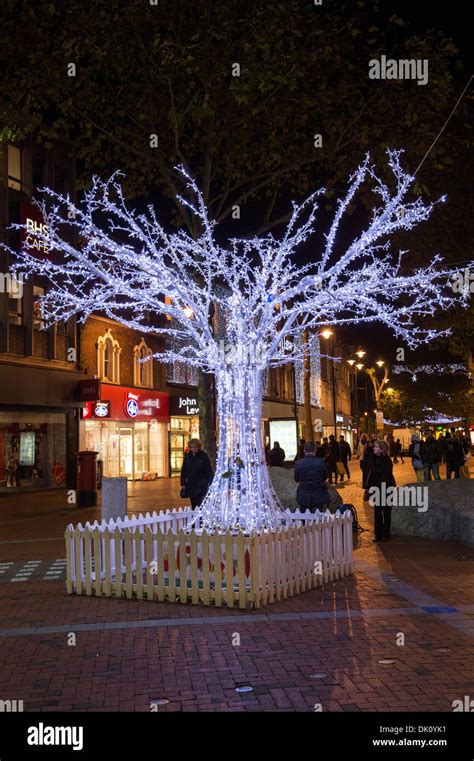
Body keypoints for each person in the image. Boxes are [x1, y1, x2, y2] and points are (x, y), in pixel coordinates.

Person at [364, 439, 396, 542]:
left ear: (381, 449)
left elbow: (386, 476)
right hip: (376, 489)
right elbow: (369, 472)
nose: (374, 448)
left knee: (386, 512)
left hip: (386, 488)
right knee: (377, 512)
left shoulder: (387, 460)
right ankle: (378, 534)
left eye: (376, 447)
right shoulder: (372, 458)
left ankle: (386, 535)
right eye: (374, 446)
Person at [294, 442, 330, 512]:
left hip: (304, 495)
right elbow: (325, 476)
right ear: (315, 451)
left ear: (304, 451)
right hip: (318, 494)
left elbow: (296, 479)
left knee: (304, 518)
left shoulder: (298, 463)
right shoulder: (321, 462)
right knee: (318, 518)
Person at [180, 438, 214, 509]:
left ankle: (198, 517)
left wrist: (211, 482)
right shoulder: (188, 456)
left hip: (201, 483)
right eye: (191, 447)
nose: (193, 449)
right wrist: (183, 483)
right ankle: (195, 516)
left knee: (198, 502)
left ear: (198, 447)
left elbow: (208, 470)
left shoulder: (203, 456)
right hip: (191, 483)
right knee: (193, 501)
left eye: (195, 447)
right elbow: (184, 469)